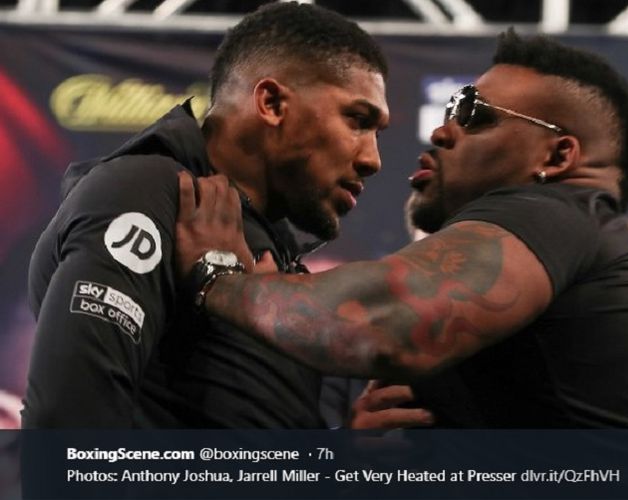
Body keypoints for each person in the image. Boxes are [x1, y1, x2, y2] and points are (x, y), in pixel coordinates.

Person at [175, 29, 628, 429]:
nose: (441, 130)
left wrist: (219, 278)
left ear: (557, 156)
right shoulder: (562, 264)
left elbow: (381, 324)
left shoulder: (557, 211)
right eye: (452, 107)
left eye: (474, 113)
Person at [23, 2, 430, 428]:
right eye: (358, 120)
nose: (372, 160)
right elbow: (66, 427)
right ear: (272, 103)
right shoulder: (151, 194)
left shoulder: (272, 252)